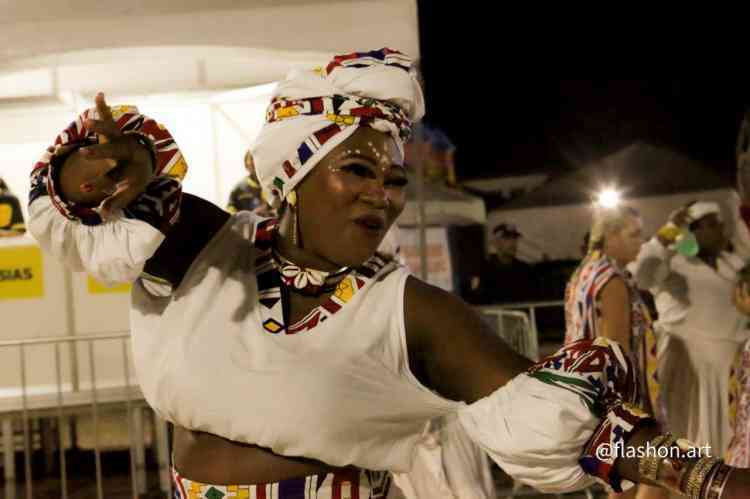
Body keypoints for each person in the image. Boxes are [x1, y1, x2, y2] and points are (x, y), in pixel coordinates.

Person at [28, 49, 749, 498]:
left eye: (394, 178)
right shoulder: (203, 244)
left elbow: (583, 428)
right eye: (358, 169)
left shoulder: (411, 313)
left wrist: (716, 478)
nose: (382, 193)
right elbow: (86, 206)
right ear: (293, 174)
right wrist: (101, 162)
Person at [632, 200, 750, 460]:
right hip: (689, 370)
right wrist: (668, 232)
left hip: (730, 371)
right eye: (712, 225)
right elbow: (642, 275)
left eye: (720, 224)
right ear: (692, 231)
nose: (721, 231)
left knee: (729, 445)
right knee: (689, 444)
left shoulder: (733, 264)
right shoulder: (673, 264)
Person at [565, 205, 665, 499]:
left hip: (589, 389)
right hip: (618, 396)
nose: (641, 242)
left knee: (627, 480)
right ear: (611, 236)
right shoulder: (612, 281)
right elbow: (615, 350)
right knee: (654, 475)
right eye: (634, 234)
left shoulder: (585, 272)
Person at [474, 223, 539, 304]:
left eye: (514, 238)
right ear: (496, 243)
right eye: (507, 238)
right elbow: (478, 300)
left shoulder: (525, 270)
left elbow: (532, 299)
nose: (512, 243)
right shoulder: (485, 269)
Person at [227, 150, 275, 216]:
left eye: (258, 160)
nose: (255, 163)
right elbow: (231, 214)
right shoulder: (238, 189)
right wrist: (249, 217)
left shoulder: (273, 182)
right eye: (252, 159)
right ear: (246, 165)